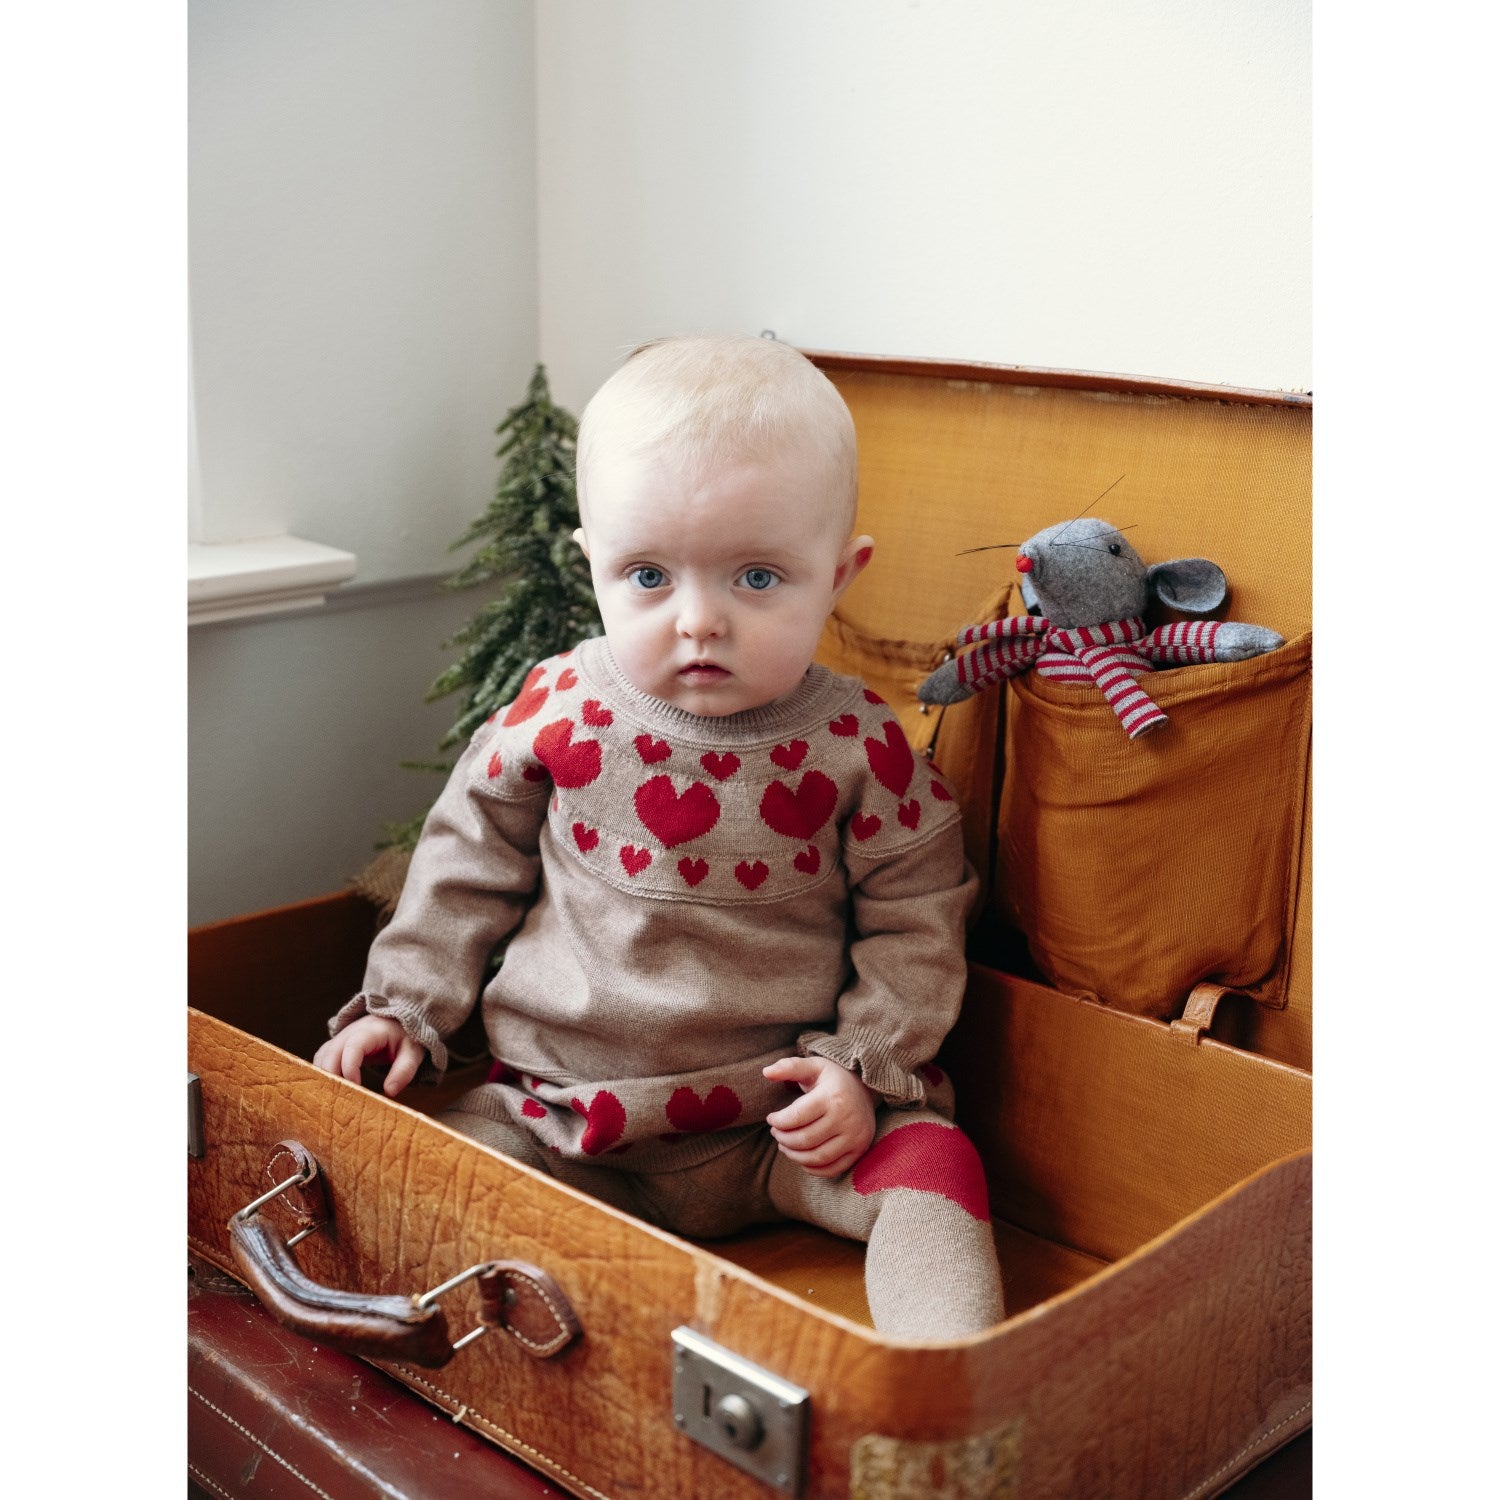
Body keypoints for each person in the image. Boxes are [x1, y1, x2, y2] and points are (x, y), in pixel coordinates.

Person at [314, 335, 1004, 1336]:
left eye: (757, 578)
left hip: (780, 1125)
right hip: (561, 1115)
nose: (698, 621)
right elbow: (464, 865)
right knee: (451, 1166)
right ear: (591, 564)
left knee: (935, 1158)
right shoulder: (559, 708)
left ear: (838, 575)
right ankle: (573, 1356)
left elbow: (919, 919)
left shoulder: (863, 747)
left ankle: (948, 1376)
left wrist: (860, 1066)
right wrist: (405, 1008)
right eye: (647, 575)